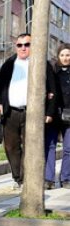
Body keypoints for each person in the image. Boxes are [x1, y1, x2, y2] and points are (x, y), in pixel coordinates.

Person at [0, 33, 57, 190]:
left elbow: (53, 90)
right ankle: (18, 177)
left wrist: (49, 112)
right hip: (11, 112)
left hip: (33, 113)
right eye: (19, 45)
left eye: (27, 45)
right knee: (10, 147)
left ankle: (25, 180)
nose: (23, 48)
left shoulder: (42, 64)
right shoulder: (8, 64)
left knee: (31, 147)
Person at [52, 43, 70, 189]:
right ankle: (48, 179)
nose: (65, 58)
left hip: (69, 116)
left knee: (68, 148)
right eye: (62, 55)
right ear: (58, 56)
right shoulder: (53, 71)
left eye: (68, 55)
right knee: (50, 146)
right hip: (53, 115)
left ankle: (65, 178)